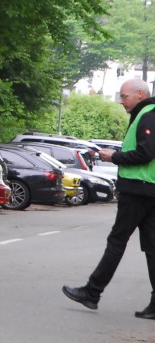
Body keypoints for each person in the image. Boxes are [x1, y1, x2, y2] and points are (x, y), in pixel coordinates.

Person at [62, 78, 155, 318]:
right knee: (152, 248)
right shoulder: (148, 113)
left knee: (117, 241)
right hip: (149, 189)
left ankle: (92, 293)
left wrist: (114, 156)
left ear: (140, 95)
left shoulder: (147, 114)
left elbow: (146, 153)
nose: (121, 101)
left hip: (138, 190)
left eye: (124, 96)